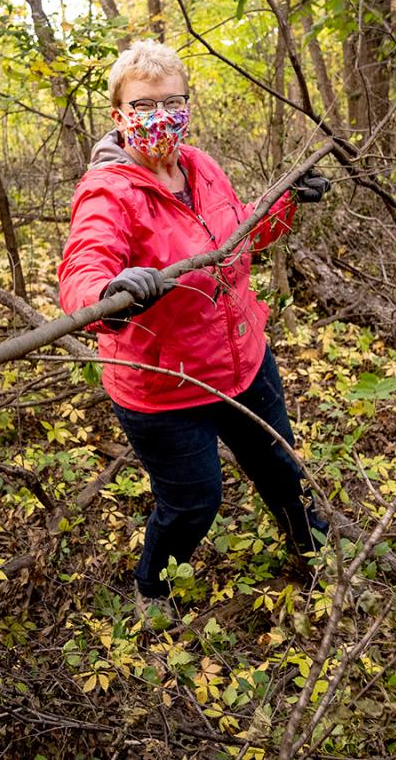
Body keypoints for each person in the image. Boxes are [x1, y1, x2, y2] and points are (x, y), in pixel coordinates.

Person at [57, 40, 329, 630]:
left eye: (171, 102)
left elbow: (235, 238)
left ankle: (319, 558)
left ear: (187, 105)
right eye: (143, 105)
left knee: (284, 473)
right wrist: (108, 296)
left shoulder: (201, 166)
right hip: (165, 388)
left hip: (242, 362)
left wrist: (283, 204)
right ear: (118, 116)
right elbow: (83, 268)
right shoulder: (108, 192)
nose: (160, 116)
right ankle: (154, 591)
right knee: (193, 502)